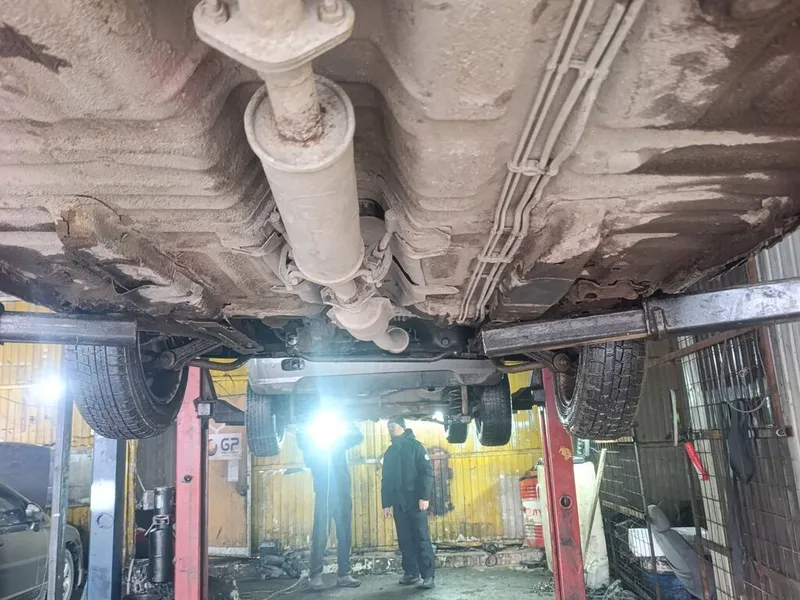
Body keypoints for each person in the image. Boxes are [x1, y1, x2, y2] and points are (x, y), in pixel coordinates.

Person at [296, 421, 364, 592]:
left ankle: (344, 575)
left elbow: (358, 437)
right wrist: (309, 431)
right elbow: (302, 441)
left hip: (342, 494)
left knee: (345, 535)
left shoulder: (339, 442)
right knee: (320, 535)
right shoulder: (312, 447)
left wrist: (344, 422)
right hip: (324, 495)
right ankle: (315, 576)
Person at [381, 416, 436, 589]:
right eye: (388, 426)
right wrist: (386, 504)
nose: (390, 428)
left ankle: (428, 576)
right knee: (404, 539)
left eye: (393, 425)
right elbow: (386, 480)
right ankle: (411, 573)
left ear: (402, 427)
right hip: (399, 503)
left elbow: (427, 473)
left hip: (415, 501)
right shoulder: (390, 452)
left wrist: (424, 497)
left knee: (421, 538)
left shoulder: (416, 447)